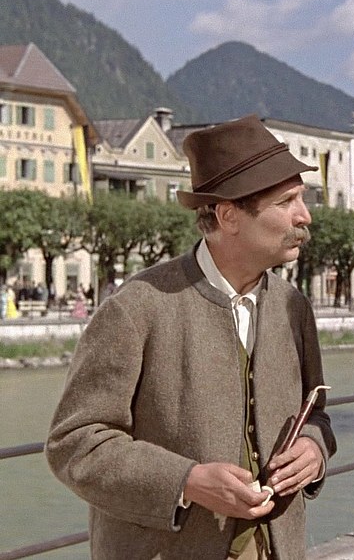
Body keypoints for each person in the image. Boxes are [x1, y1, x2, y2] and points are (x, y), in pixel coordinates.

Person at [46, 114, 337, 559]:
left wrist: (314, 449)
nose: (305, 215)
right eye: (287, 201)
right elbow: (74, 444)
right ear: (229, 216)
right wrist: (186, 481)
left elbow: (315, 415)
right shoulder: (136, 307)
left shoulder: (293, 306)